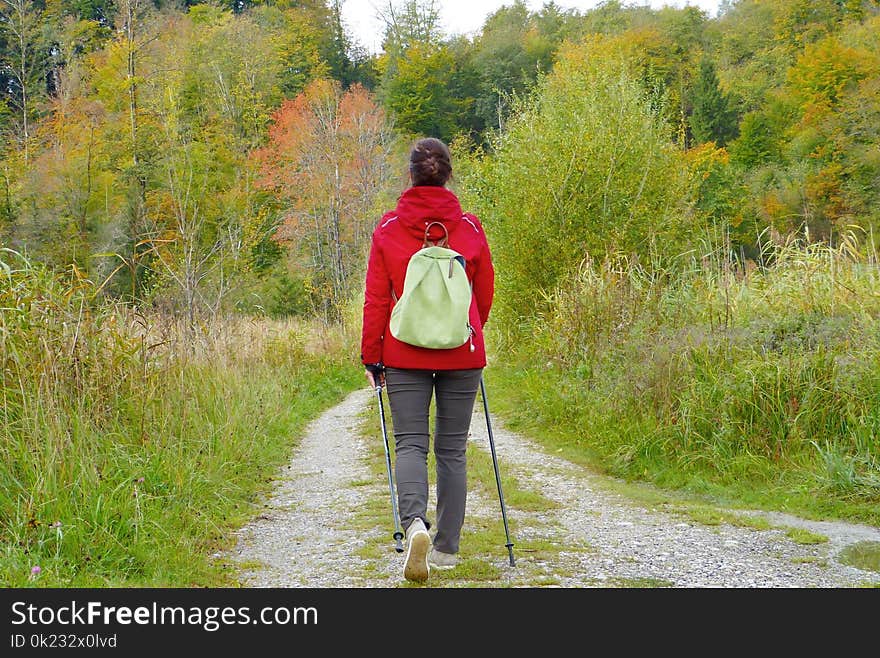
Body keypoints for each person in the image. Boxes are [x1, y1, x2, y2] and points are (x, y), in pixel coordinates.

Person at [361, 137, 495, 582]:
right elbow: (484, 294)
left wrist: (371, 355)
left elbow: (378, 298)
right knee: (453, 450)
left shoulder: (389, 227)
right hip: (463, 352)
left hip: (403, 351)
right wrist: (470, 332)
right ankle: (447, 550)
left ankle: (414, 524)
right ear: (448, 174)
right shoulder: (471, 229)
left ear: (411, 174)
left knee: (411, 444)